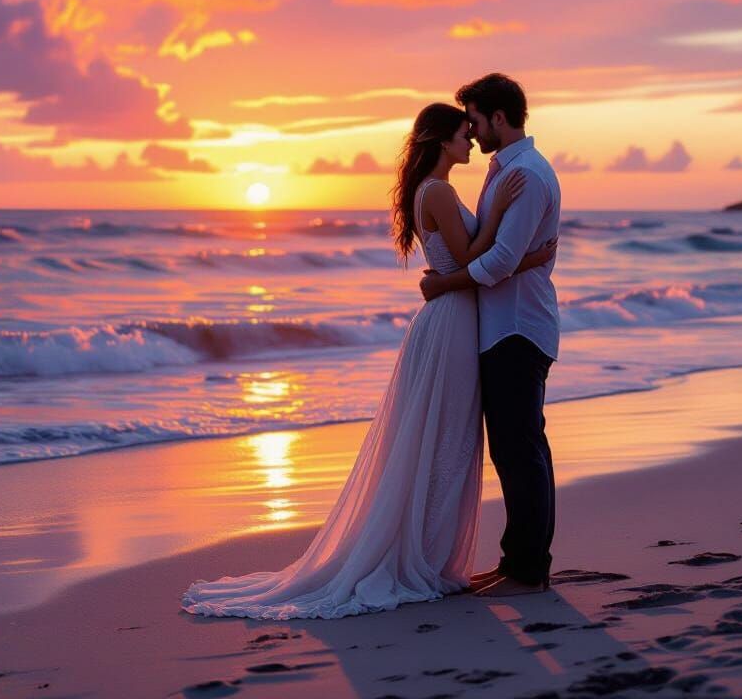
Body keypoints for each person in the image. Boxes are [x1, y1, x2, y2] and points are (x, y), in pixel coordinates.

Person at [181, 102, 555, 619]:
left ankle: (435, 554)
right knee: (443, 438)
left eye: (473, 130)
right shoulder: (440, 191)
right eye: (462, 134)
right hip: (449, 323)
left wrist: (495, 234)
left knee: (445, 438)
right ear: (441, 141)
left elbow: (465, 258)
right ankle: (424, 557)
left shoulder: (435, 188)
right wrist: (516, 240)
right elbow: (472, 259)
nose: (470, 140)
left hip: (453, 318)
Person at [421, 74, 561, 597]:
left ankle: (526, 570)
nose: (474, 133)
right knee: (517, 447)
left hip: (517, 328)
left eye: (477, 121)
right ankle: (519, 563)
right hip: (503, 326)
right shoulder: (507, 171)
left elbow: (500, 260)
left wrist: (442, 285)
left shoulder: (526, 175)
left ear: (499, 118)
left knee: (519, 448)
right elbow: (490, 245)